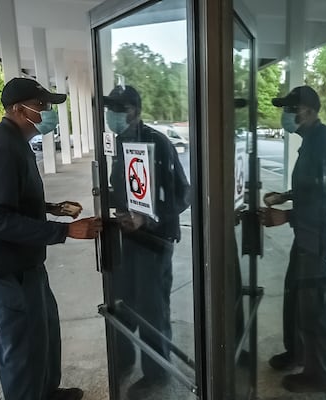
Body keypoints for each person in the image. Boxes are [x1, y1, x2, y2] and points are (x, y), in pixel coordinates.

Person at [0, 77, 103, 400]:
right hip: (1, 268)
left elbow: (10, 199)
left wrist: (51, 208)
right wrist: (64, 231)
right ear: (19, 109)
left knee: (43, 329)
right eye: (42, 106)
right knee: (22, 343)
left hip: (23, 261)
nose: (47, 112)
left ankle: (46, 392)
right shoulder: (2, 147)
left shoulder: (14, 141)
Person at [104, 85, 190, 399]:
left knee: (153, 309)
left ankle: (157, 373)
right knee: (124, 302)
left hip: (155, 241)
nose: (111, 115)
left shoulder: (158, 143)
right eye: (109, 108)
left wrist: (147, 218)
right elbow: (123, 189)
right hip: (129, 239)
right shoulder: (120, 141)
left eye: (118, 109)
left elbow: (183, 194)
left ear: (135, 111)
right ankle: (124, 359)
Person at [259, 86, 326, 393]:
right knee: (296, 297)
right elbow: (311, 187)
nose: (285, 115)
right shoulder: (309, 141)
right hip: (306, 236)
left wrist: (287, 216)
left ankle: (319, 374)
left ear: (308, 110)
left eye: (290, 109)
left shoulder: (325, 143)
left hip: (321, 242)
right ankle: (297, 354)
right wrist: (284, 195)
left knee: (315, 305)